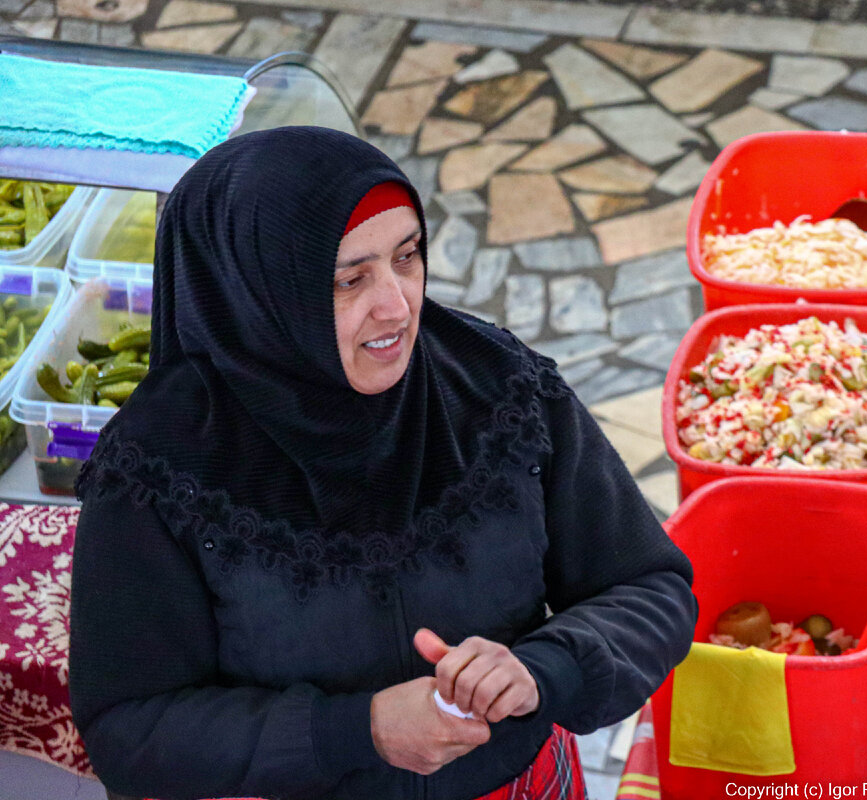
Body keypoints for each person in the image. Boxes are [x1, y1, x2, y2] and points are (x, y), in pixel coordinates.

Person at [68, 126, 698, 800]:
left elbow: (651, 588)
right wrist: (356, 731)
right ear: (262, 291)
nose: (397, 305)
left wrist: (541, 670)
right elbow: (130, 728)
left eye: (407, 256)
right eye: (349, 280)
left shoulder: (497, 388)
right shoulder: (160, 468)